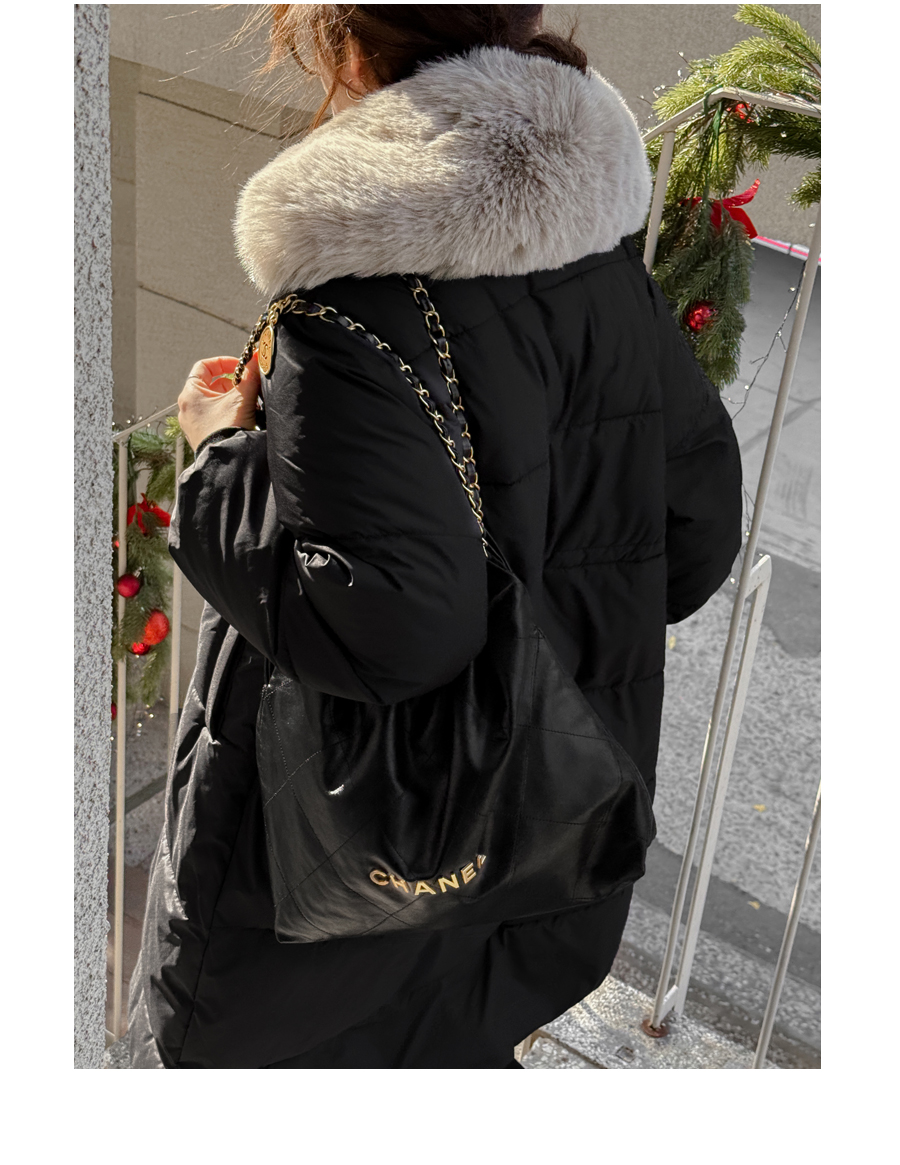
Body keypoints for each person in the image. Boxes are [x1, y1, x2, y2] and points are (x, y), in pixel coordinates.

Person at [128, 3, 742, 1069]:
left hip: (338, 902)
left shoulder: (351, 301)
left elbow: (389, 630)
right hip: (543, 838)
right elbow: (693, 536)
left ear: (341, 41)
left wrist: (220, 458)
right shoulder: (596, 252)